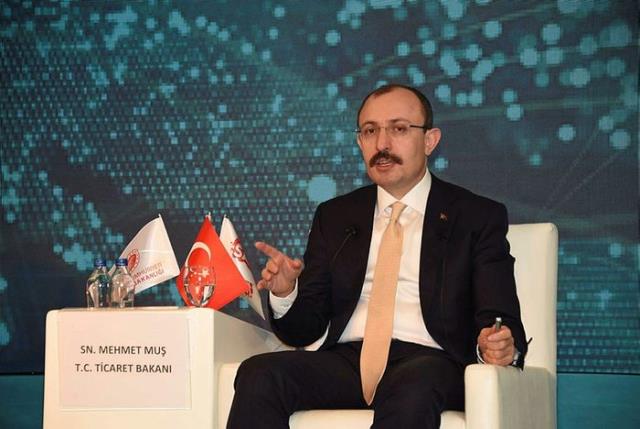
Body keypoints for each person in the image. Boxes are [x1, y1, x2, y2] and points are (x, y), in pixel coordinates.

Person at [227, 84, 527, 429]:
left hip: (433, 361)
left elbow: (498, 315)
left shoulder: (475, 216)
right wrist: (285, 293)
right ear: (359, 142)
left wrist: (498, 344)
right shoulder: (336, 216)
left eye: (398, 129)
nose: (382, 144)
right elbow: (303, 331)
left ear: (429, 140)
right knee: (260, 373)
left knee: (414, 386)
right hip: (348, 361)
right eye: (370, 131)